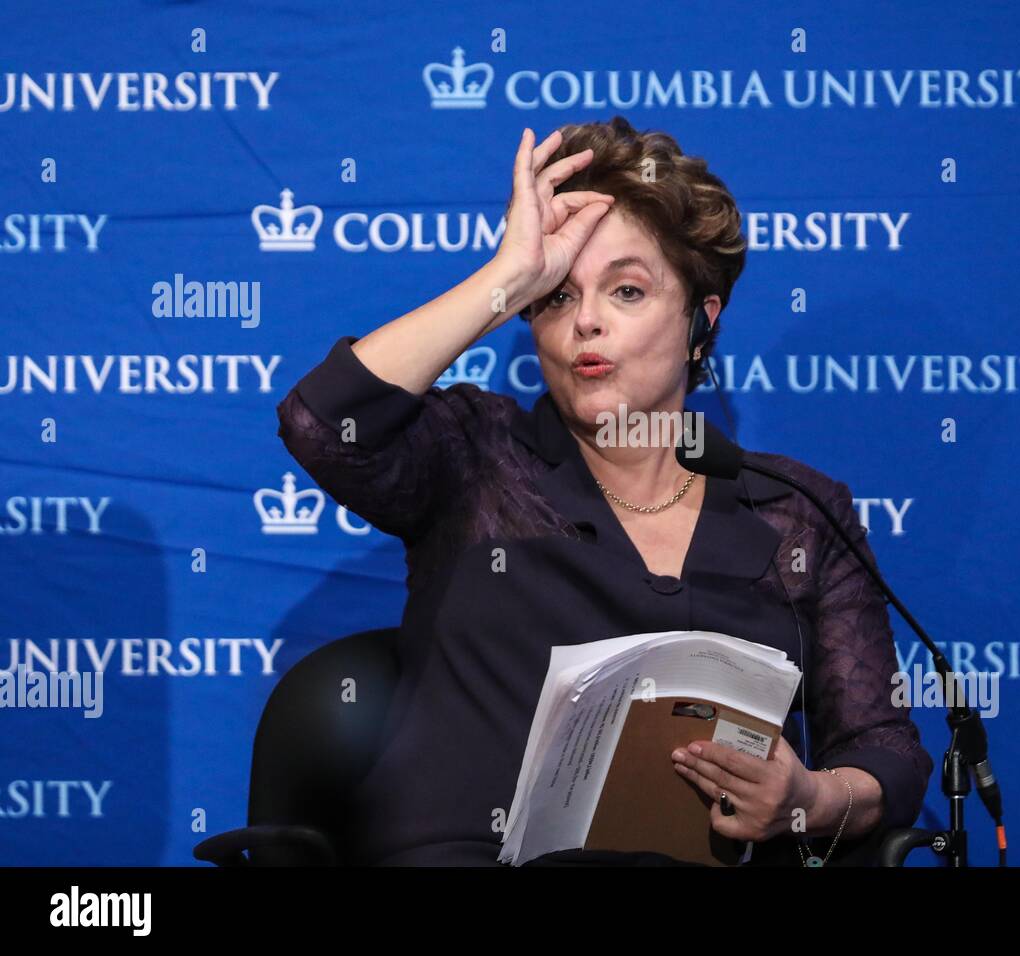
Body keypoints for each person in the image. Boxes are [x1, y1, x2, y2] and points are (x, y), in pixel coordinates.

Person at [276, 116, 933, 866]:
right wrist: (507, 278)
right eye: (556, 297)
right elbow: (322, 423)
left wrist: (809, 800)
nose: (585, 320)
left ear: (698, 322)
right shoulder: (475, 460)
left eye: (626, 291)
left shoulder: (799, 513)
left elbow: (885, 751)